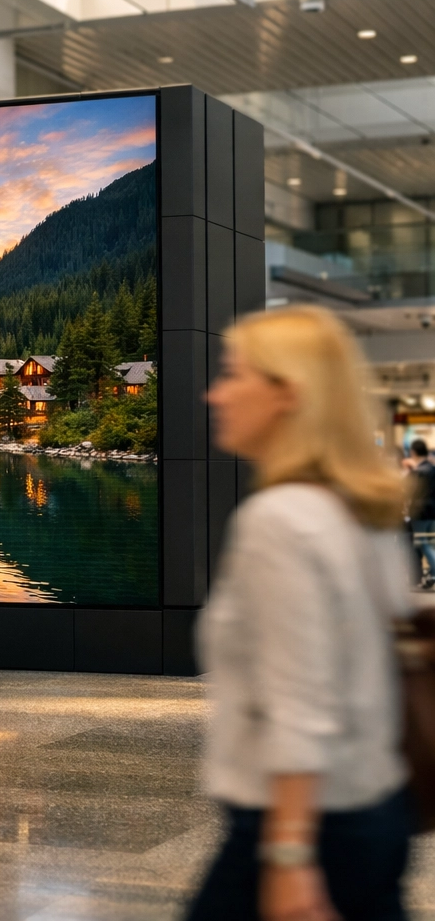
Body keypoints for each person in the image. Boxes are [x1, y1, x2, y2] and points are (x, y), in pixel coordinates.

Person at [189, 304, 415, 921]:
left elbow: (300, 703)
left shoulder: (280, 521)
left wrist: (289, 857)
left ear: (287, 393)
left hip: (299, 828)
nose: (215, 394)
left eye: (234, 375)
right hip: (376, 808)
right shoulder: (361, 514)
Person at [409, 439, 435, 587]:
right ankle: (431, 574)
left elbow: (410, 492)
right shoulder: (433, 468)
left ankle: (434, 572)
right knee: (430, 544)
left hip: (420, 512)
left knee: (422, 543)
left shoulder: (417, 472)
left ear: (413, 452)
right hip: (433, 512)